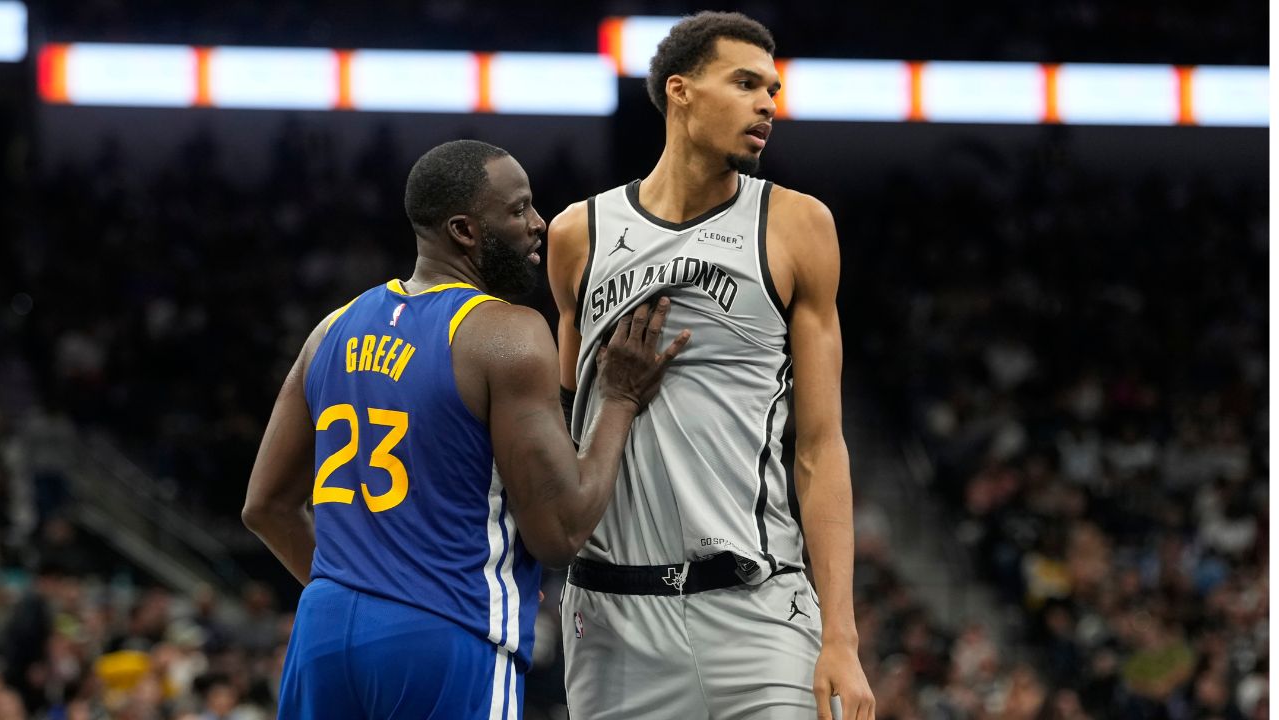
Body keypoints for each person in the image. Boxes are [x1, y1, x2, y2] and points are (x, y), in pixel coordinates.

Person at [242, 140, 689, 719]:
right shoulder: (504, 333)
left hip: (322, 635)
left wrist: (364, 596)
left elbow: (265, 507)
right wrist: (620, 399)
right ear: (464, 231)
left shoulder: (330, 329)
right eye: (519, 209)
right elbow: (560, 530)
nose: (539, 223)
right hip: (444, 632)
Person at [547, 12, 875, 720]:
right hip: (612, 620)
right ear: (681, 90)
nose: (768, 105)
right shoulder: (577, 234)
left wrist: (842, 637)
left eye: (773, 90)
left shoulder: (797, 225)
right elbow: (559, 435)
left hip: (758, 608)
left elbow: (821, 448)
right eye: (746, 84)